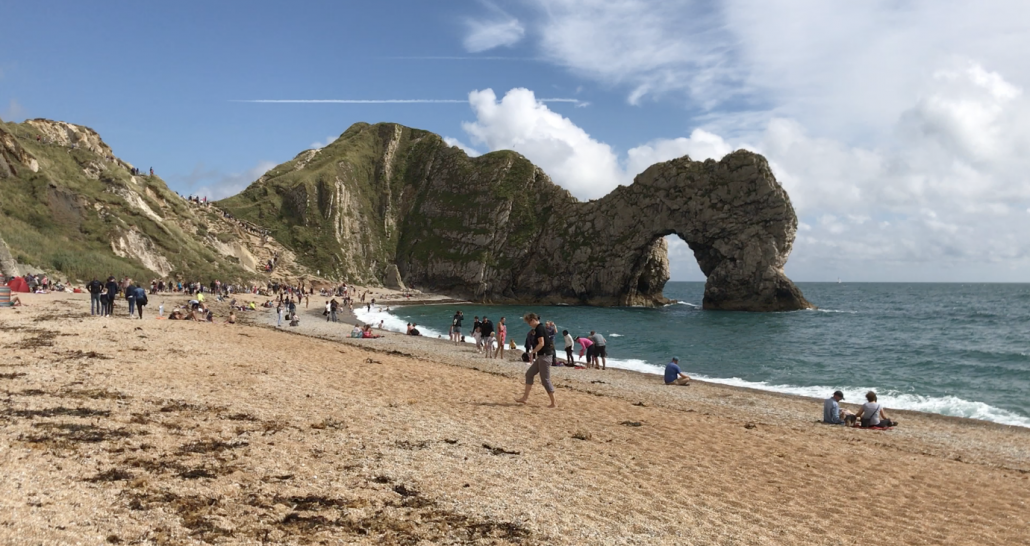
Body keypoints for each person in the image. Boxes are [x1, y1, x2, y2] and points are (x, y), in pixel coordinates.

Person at [515, 313, 557, 408]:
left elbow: (541, 343)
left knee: (545, 380)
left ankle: (553, 403)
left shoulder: (539, 328)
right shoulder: (539, 328)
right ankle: (525, 398)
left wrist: (532, 352)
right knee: (529, 374)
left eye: (529, 322)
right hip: (542, 356)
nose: (529, 324)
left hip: (545, 356)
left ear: (533, 320)